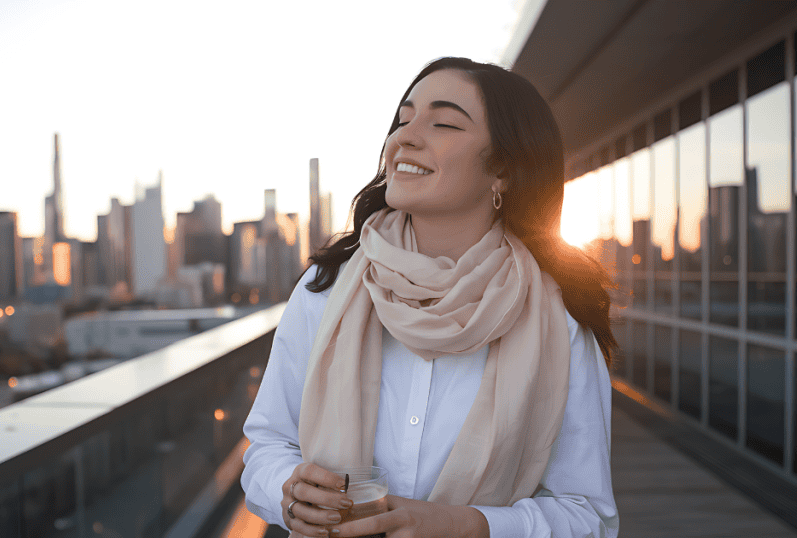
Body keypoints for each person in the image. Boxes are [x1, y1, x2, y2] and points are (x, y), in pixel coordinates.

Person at [241, 57, 620, 538]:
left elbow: (588, 515)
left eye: (443, 123)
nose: (405, 136)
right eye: (402, 120)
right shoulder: (327, 285)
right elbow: (268, 443)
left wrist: (470, 527)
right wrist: (288, 493)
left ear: (501, 169)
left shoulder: (556, 318)